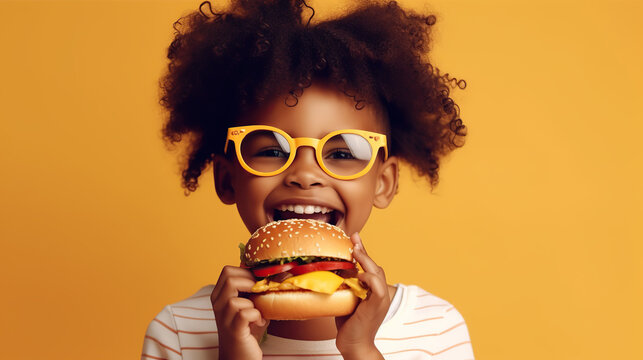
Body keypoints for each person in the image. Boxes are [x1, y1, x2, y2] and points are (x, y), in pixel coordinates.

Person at [142, 0, 474, 359]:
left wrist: (360, 349)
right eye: (271, 150)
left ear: (384, 182)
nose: (304, 174)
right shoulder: (178, 330)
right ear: (227, 179)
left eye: (343, 153)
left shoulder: (434, 327)